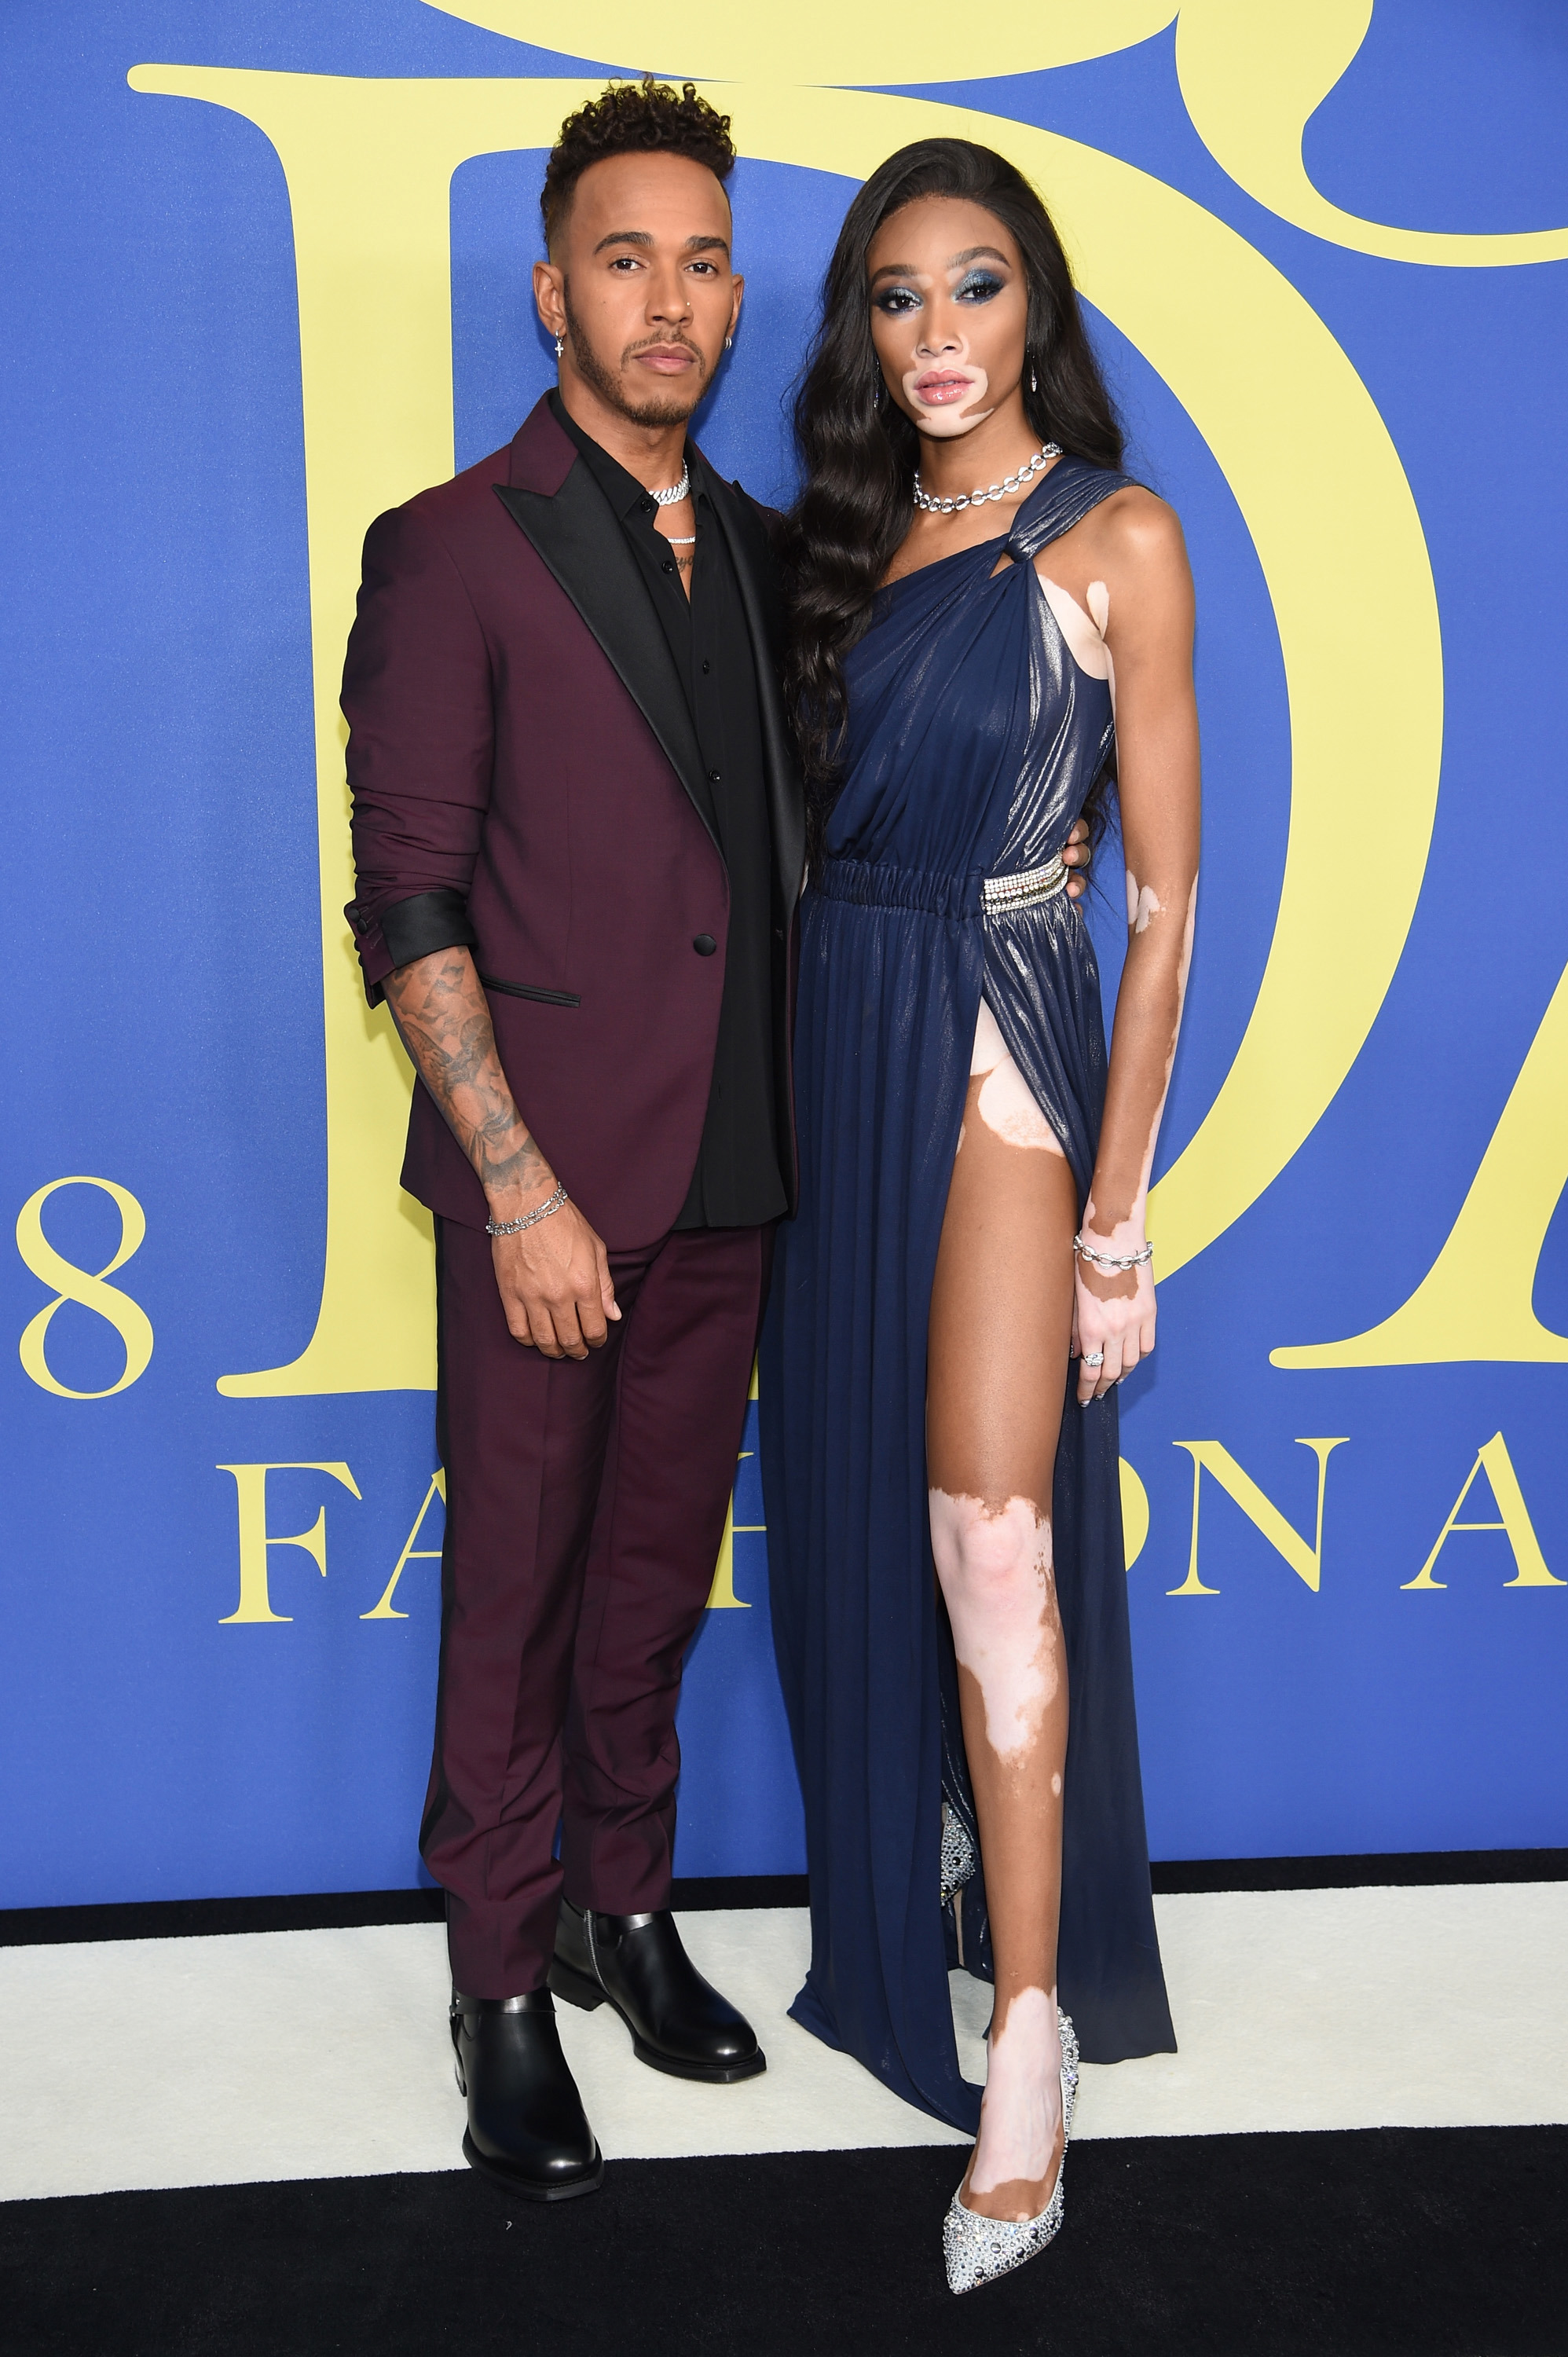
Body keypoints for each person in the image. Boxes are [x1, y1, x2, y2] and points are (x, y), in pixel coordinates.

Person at [339, 79, 805, 2202]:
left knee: (649, 1588)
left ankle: (630, 1916)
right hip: (546, 1190)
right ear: (551, 290)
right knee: (515, 1596)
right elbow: (411, 895)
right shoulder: (451, 547)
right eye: (626, 256)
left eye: (702, 259)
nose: (669, 299)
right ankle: (500, 1981)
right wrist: (516, 1186)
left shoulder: (782, 560)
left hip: (735, 1172)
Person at [760, 138, 1199, 2293]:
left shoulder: (1111, 535)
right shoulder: (841, 549)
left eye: (976, 288)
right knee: (865, 1513)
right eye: (897, 299)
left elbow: (1168, 899)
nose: (938, 338)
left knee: (988, 1541)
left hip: (996, 1044)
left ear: (1039, 304)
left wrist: (1115, 1219)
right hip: (836, 1038)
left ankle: (1022, 2039)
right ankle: (931, 1875)